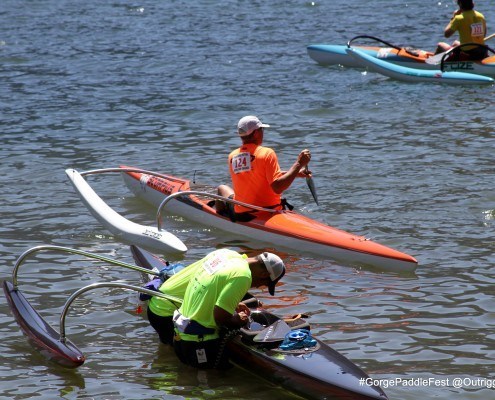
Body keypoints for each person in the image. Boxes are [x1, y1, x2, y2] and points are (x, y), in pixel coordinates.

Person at [172, 248, 285, 369]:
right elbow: (220, 318)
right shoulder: (243, 276)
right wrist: (238, 319)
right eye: (264, 284)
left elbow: (211, 287)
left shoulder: (226, 255)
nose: (258, 286)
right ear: (264, 274)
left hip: (180, 333)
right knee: (206, 383)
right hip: (199, 341)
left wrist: (234, 303)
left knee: (188, 377)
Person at [216, 115, 311, 221]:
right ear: (256, 132)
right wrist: (298, 163)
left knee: (221, 188)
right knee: (222, 188)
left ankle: (220, 217)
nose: (263, 133)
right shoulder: (267, 153)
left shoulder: (232, 156)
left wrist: (296, 173)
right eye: (262, 130)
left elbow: (260, 174)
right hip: (268, 212)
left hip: (242, 214)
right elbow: (277, 187)